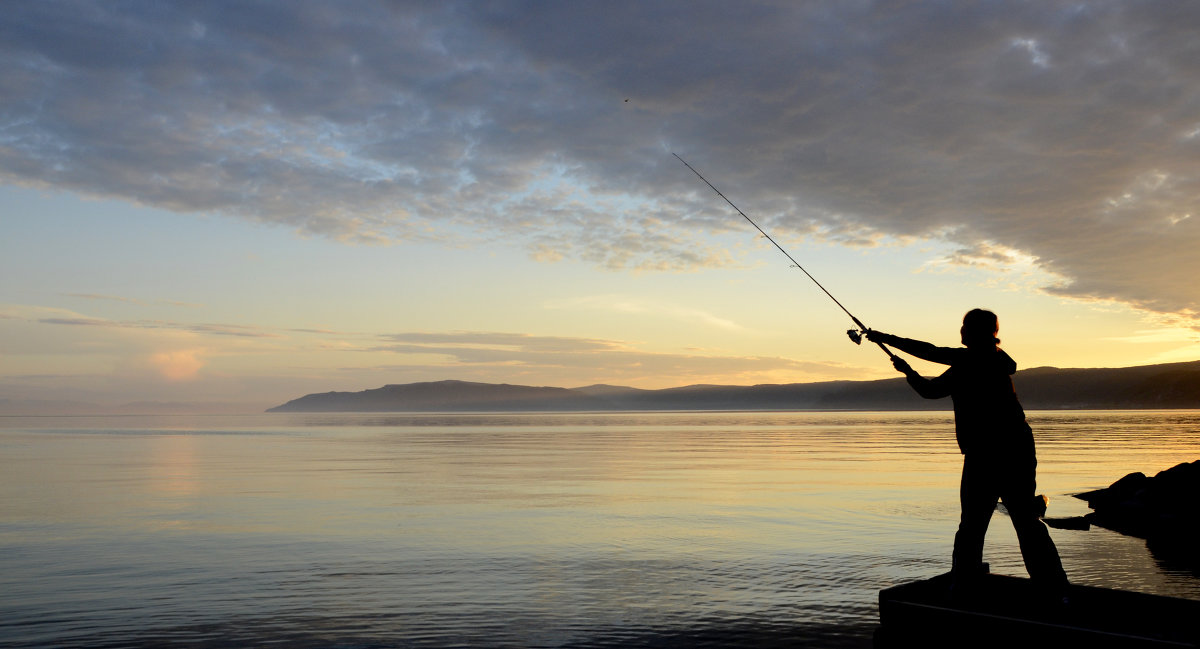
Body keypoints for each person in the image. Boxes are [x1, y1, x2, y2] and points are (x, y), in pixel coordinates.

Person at [865, 309, 1068, 599]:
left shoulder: (973, 359)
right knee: (1025, 522)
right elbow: (931, 389)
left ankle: (964, 587)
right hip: (1017, 449)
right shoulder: (991, 360)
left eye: (964, 327)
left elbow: (931, 353)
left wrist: (884, 338)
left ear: (977, 332)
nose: (960, 331)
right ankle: (1056, 591)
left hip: (986, 454)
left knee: (972, 526)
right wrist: (908, 371)